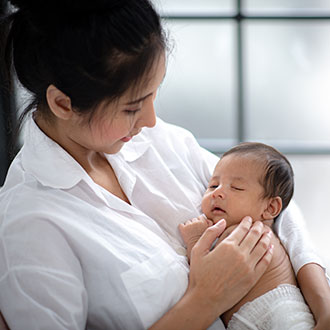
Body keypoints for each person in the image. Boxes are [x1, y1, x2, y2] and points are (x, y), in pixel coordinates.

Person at [0, 1, 329, 329]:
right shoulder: (30, 225)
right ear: (63, 104)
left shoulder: (160, 141)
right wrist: (205, 298)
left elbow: (273, 201)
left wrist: (323, 305)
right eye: (132, 108)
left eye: (154, 95)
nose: (151, 120)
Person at [179, 142, 327, 329]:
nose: (218, 192)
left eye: (236, 188)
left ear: (270, 208)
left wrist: (195, 240)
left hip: (279, 316)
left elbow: (205, 270)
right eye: (213, 185)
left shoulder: (246, 232)